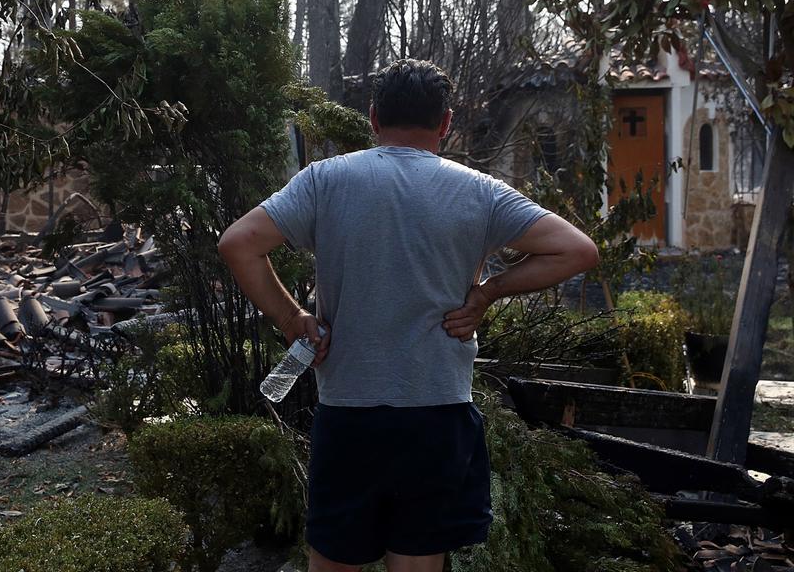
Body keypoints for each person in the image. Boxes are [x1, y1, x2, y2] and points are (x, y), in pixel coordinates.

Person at [218, 59, 599, 572]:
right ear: (445, 123)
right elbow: (578, 250)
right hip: (437, 414)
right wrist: (489, 293)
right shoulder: (479, 191)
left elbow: (238, 243)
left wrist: (293, 320)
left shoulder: (325, 181)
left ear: (373, 119)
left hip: (349, 413)